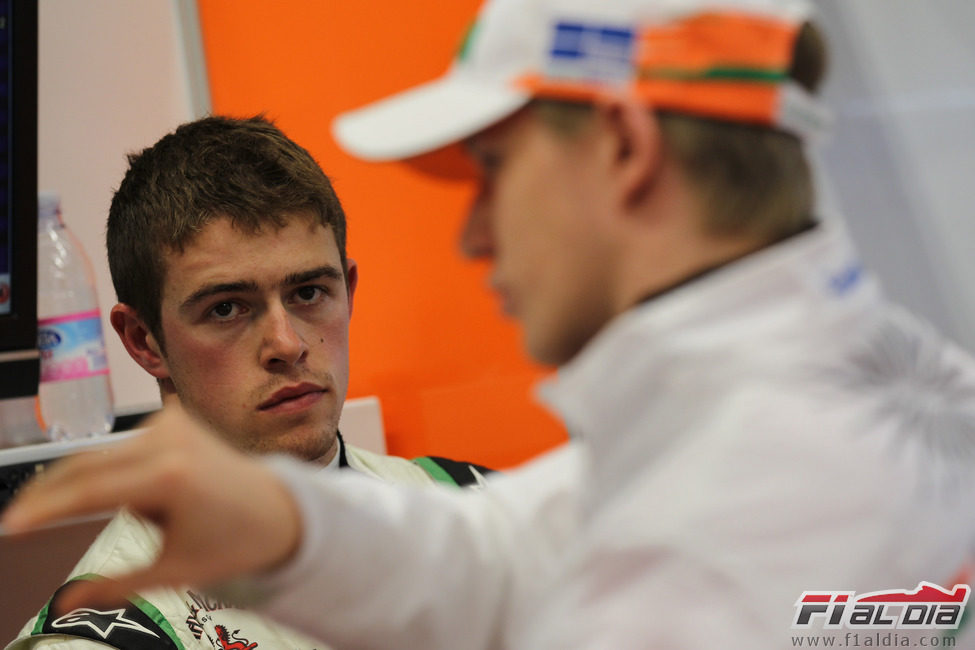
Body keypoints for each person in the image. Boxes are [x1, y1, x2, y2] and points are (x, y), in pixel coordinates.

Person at [5, 0, 975, 647]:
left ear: (626, 153)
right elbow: (499, 554)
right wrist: (291, 530)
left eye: (494, 170)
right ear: (142, 338)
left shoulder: (743, 503)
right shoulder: (831, 410)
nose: (471, 231)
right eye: (228, 304)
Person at [5, 115, 492, 650]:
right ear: (144, 341)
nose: (286, 344)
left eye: (308, 292)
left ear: (348, 293)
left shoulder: (473, 505)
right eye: (228, 308)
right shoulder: (108, 636)